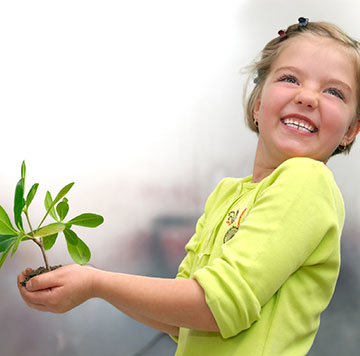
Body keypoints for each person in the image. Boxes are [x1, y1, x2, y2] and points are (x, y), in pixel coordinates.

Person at [18, 18, 360, 356]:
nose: (308, 97)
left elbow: (217, 306)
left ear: (350, 131)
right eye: (289, 78)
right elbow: (182, 321)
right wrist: (91, 288)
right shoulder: (229, 194)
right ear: (258, 104)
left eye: (333, 92)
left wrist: (95, 282)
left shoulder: (306, 180)